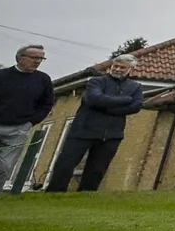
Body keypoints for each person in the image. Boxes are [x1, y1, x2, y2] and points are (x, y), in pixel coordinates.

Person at [45, 54, 143, 192]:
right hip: (84, 130)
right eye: (115, 66)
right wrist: (125, 100)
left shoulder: (135, 87)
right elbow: (95, 99)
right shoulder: (96, 81)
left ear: (130, 70)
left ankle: (86, 194)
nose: (118, 69)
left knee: (97, 169)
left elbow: (136, 106)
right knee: (66, 163)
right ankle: (55, 191)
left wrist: (106, 106)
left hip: (112, 134)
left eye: (122, 67)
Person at [0, 44, 55, 194]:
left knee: (3, 168)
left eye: (41, 59)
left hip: (18, 129)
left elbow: (46, 104)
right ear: (20, 58)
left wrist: (31, 122)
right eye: (34, 58)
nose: (38, 61)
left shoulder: (43, 80)